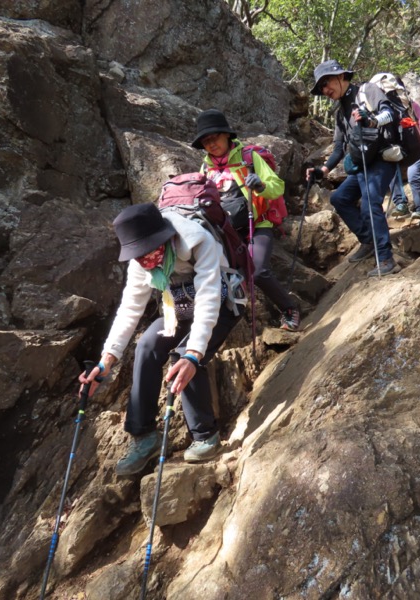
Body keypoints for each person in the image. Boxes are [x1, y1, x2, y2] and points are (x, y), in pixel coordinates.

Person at [79, 203, 244, 476]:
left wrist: (193, 354)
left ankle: (205, 436)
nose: (143, 260)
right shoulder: (141, 261)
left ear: (165, 238)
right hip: (178, 309)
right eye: (137, 254)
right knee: (146, 346)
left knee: (182, 357)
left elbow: (209, 297)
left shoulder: (198, 241)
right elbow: (130, 309)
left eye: (147, 251)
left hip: (221, 305)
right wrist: (106, 361)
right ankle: (145, 437)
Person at [192, 109, 300, 331]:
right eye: (206, 141)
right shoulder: (206, 168)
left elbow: (277, 186)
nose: (211, 144)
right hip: (227, 232)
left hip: (257, 224)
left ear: (226, 135)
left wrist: (260, 185)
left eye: (215, 138)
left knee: (257, 270)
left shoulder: (248, 158)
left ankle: (290, 309)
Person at [306, 59, 400, 277]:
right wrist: (323, 171)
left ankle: (386, 258)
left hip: (382, 159)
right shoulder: (341, 113)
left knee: (369, 203)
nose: (325, 90)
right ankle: (368, 240)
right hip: (361, 164)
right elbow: (339, 148)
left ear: (341, 76)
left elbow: (389, 114)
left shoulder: (367, 91)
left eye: (326, 83)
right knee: (339, 199)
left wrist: (371, 120)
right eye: (321, 88)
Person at [390, 97, 420, 219]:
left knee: (413, 176)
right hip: (398, 149)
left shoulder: (411, 105)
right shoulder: (384, 107)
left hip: (415, 147)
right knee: (390, 173)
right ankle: (401, 204)